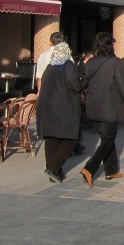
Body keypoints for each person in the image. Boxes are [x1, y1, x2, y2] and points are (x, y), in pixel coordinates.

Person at [79, 33, 124, 188]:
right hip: (110, 108)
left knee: (106, 139)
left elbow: (82, 84)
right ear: (110, 46)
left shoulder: (89, 63)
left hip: (93, 107)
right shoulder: (116, 63)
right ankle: (89, 169)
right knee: (108, 140)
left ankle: (111, 170)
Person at [37, 41, 83, 183]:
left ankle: (54, 171)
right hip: (63, 108)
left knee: (52, 139)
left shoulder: (50, 67)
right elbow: (75, 84)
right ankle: (54, 167)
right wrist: (83, 81)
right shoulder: (68, 66)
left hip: (46, 107)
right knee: (70, 139)